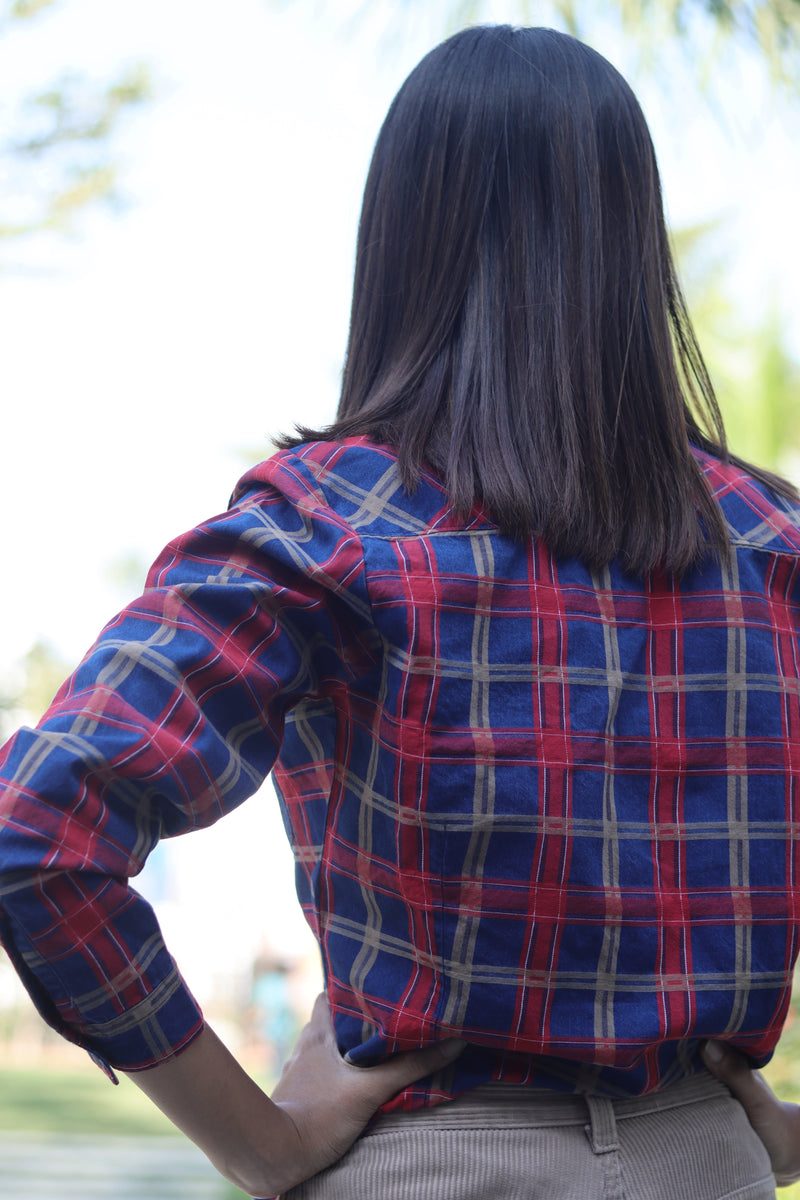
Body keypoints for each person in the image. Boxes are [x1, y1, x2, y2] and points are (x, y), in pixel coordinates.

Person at [1, 23, 800, 1200]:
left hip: (429, 1168)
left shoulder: (325, 527)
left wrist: (257, 1146)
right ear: (635, 239)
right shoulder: (767, 546)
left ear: (402, 238)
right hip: (704, 1164)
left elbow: (40, 832)